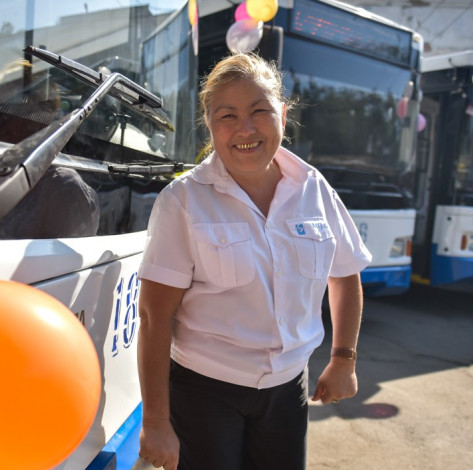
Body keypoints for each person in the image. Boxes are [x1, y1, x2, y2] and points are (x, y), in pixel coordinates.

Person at [136, 52, 372, 470]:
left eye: (259, 111)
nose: (245, 129)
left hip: (288, 389)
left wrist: (343, 359)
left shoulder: (314, 188)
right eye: (227, 116)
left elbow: (344, 273)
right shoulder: (183, 200)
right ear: (209, 124)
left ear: (283, 114)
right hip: (204, 392)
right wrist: (156, 421)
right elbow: (155, 318)